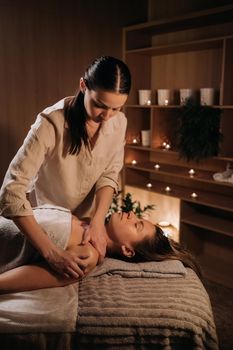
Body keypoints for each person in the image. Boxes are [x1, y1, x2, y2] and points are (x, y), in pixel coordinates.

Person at [0, 56, 131, 279]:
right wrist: (51, 253)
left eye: (116, 108)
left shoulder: (119, 123)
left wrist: (98, 222)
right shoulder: (51, 123)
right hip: (47, 228)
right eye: (100, 105)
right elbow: (10, 193)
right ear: (83, 86)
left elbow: (109, 175)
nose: (107, 116)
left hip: (85, 226)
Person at [0, 205, 201, 294]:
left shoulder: (87, 255)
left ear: (127, 251)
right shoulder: (85, 221)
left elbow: (12, 281)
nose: (132, 214)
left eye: (137, 224)